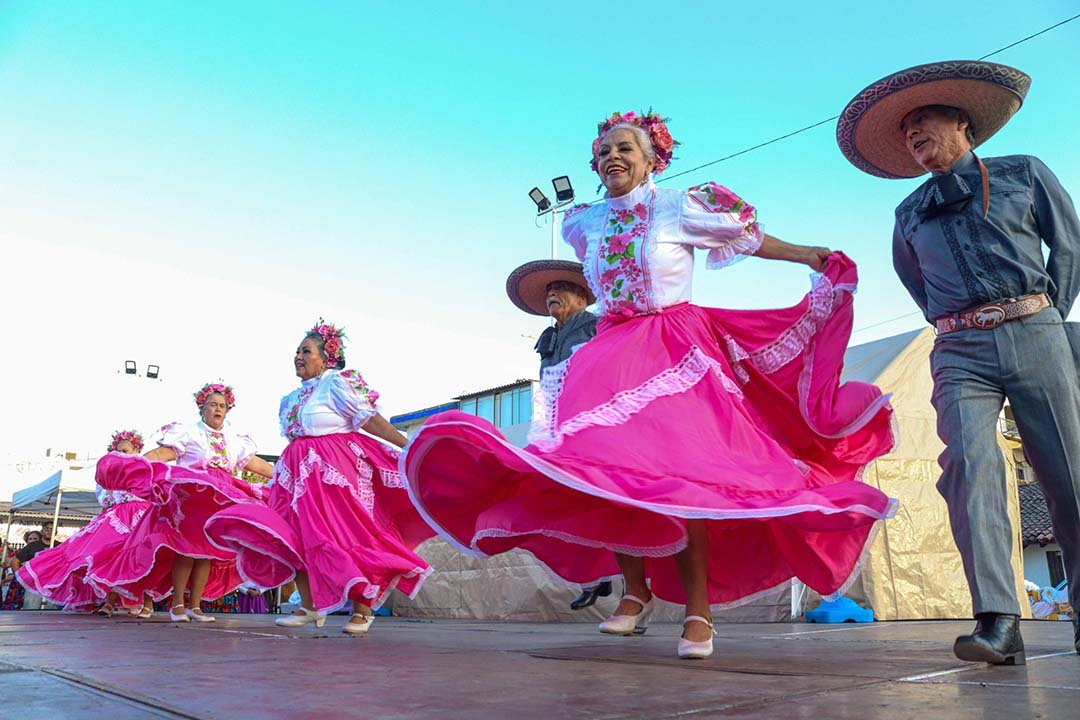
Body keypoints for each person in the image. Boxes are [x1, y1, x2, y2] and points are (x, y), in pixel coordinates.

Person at [403, 110, 897, 659]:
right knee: (603, 474)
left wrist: (805, 253)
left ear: (651, 158)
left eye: (624, 149)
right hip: (609, 353)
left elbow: (749, 237)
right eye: (603, 152)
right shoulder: (583, 222)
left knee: (684, 476)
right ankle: (634, 594)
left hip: (674, 346)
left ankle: (698, 611)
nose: (611, 157)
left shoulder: (680, 205)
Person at [838, 59, 1080, 664]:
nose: (913, 136)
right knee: (968, 467)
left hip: (1036, 328)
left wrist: (1046, 315)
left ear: (963, 123)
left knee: (1067, 474)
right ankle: (999, 621)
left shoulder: (1024, 172)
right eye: (906, 132)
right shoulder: (908, 213)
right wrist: (959, 325)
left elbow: (1070, 245)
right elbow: (917, 285)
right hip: (958, 348)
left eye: (924, 122)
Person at [206, 320, 435, 634]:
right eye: (296, 351)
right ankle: (311, 605)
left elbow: (369, 420)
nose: (298, 356)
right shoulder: (289, 399)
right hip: (296, 471)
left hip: (334, 468)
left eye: (306, 350)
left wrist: (406, 446)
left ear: (326, 356)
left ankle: (362, 607)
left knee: (346, 532)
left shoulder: (338, 382)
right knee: (294, 534)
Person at [91, 383, 274, 623]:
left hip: (220, 497)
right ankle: (177, 604)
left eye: (223, 406)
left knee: (207, 551)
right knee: (187, 549)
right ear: (202, 408)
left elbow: (256, 465)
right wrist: (136, 464)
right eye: (213, 405)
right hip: (192, 497)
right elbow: (162, 454)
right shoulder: (188, 433)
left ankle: (195, 606)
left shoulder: (234, 440)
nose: (218, 409)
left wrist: (283, 475)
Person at [507, 260, 612, 610]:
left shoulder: (597, 326)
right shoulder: (550, 338)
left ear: (582, 296)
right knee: (563, 501)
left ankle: (623, 586)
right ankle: (594, 575)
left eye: (561, 288)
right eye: (549, 291)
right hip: (558, 428)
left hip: (594, 426)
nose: (552, 294)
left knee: (604, 500)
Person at [15, 430, 155, 616]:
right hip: (118, 517)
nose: (122, 455)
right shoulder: (110, 474)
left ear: (137, 449)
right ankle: (110, 602)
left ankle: (148, 603)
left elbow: (156, 491)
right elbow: (104, 498)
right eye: (118, 451)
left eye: (125, 450)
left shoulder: (147, 469)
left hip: (142, 516)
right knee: (112, 557)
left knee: (148, 557)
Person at [2, 530, 46, 610]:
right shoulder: (19, 553)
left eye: (35, 539)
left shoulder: (41, 553)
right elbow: (8, 562)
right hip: (19, 583)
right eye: (30, 538)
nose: (32, 540)